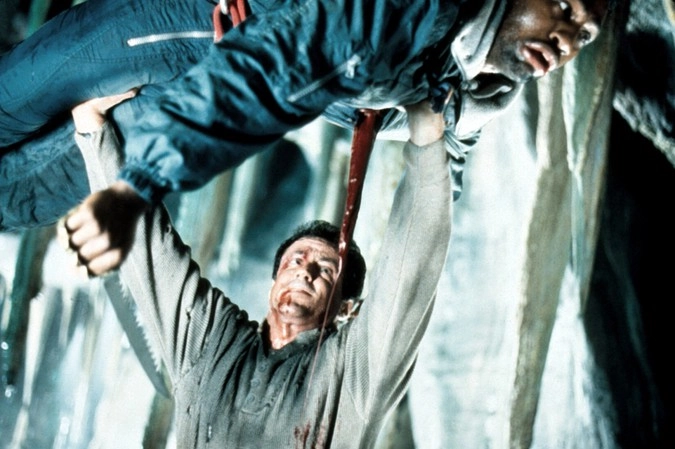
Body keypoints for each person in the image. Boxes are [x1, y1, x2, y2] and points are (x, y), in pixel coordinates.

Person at [2, 0, 610, 263]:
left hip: (204, 85)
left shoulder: (477, 91)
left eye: (583, 34)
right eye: (562, 6)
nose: (566, 38)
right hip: (182, 28)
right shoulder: (421, 9)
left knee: (16, 197)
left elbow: (444, 168)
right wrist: (140, 185)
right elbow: (281, 69)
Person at [67, 91, 452, 447]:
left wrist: (426, 137)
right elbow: (152, 258)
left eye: (325, 270)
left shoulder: (348, 377)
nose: (305, 272)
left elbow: (407, 277)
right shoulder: (212, 347)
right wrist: (94, 132)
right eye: (296, 260)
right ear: (273, 280)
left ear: (347, 309)